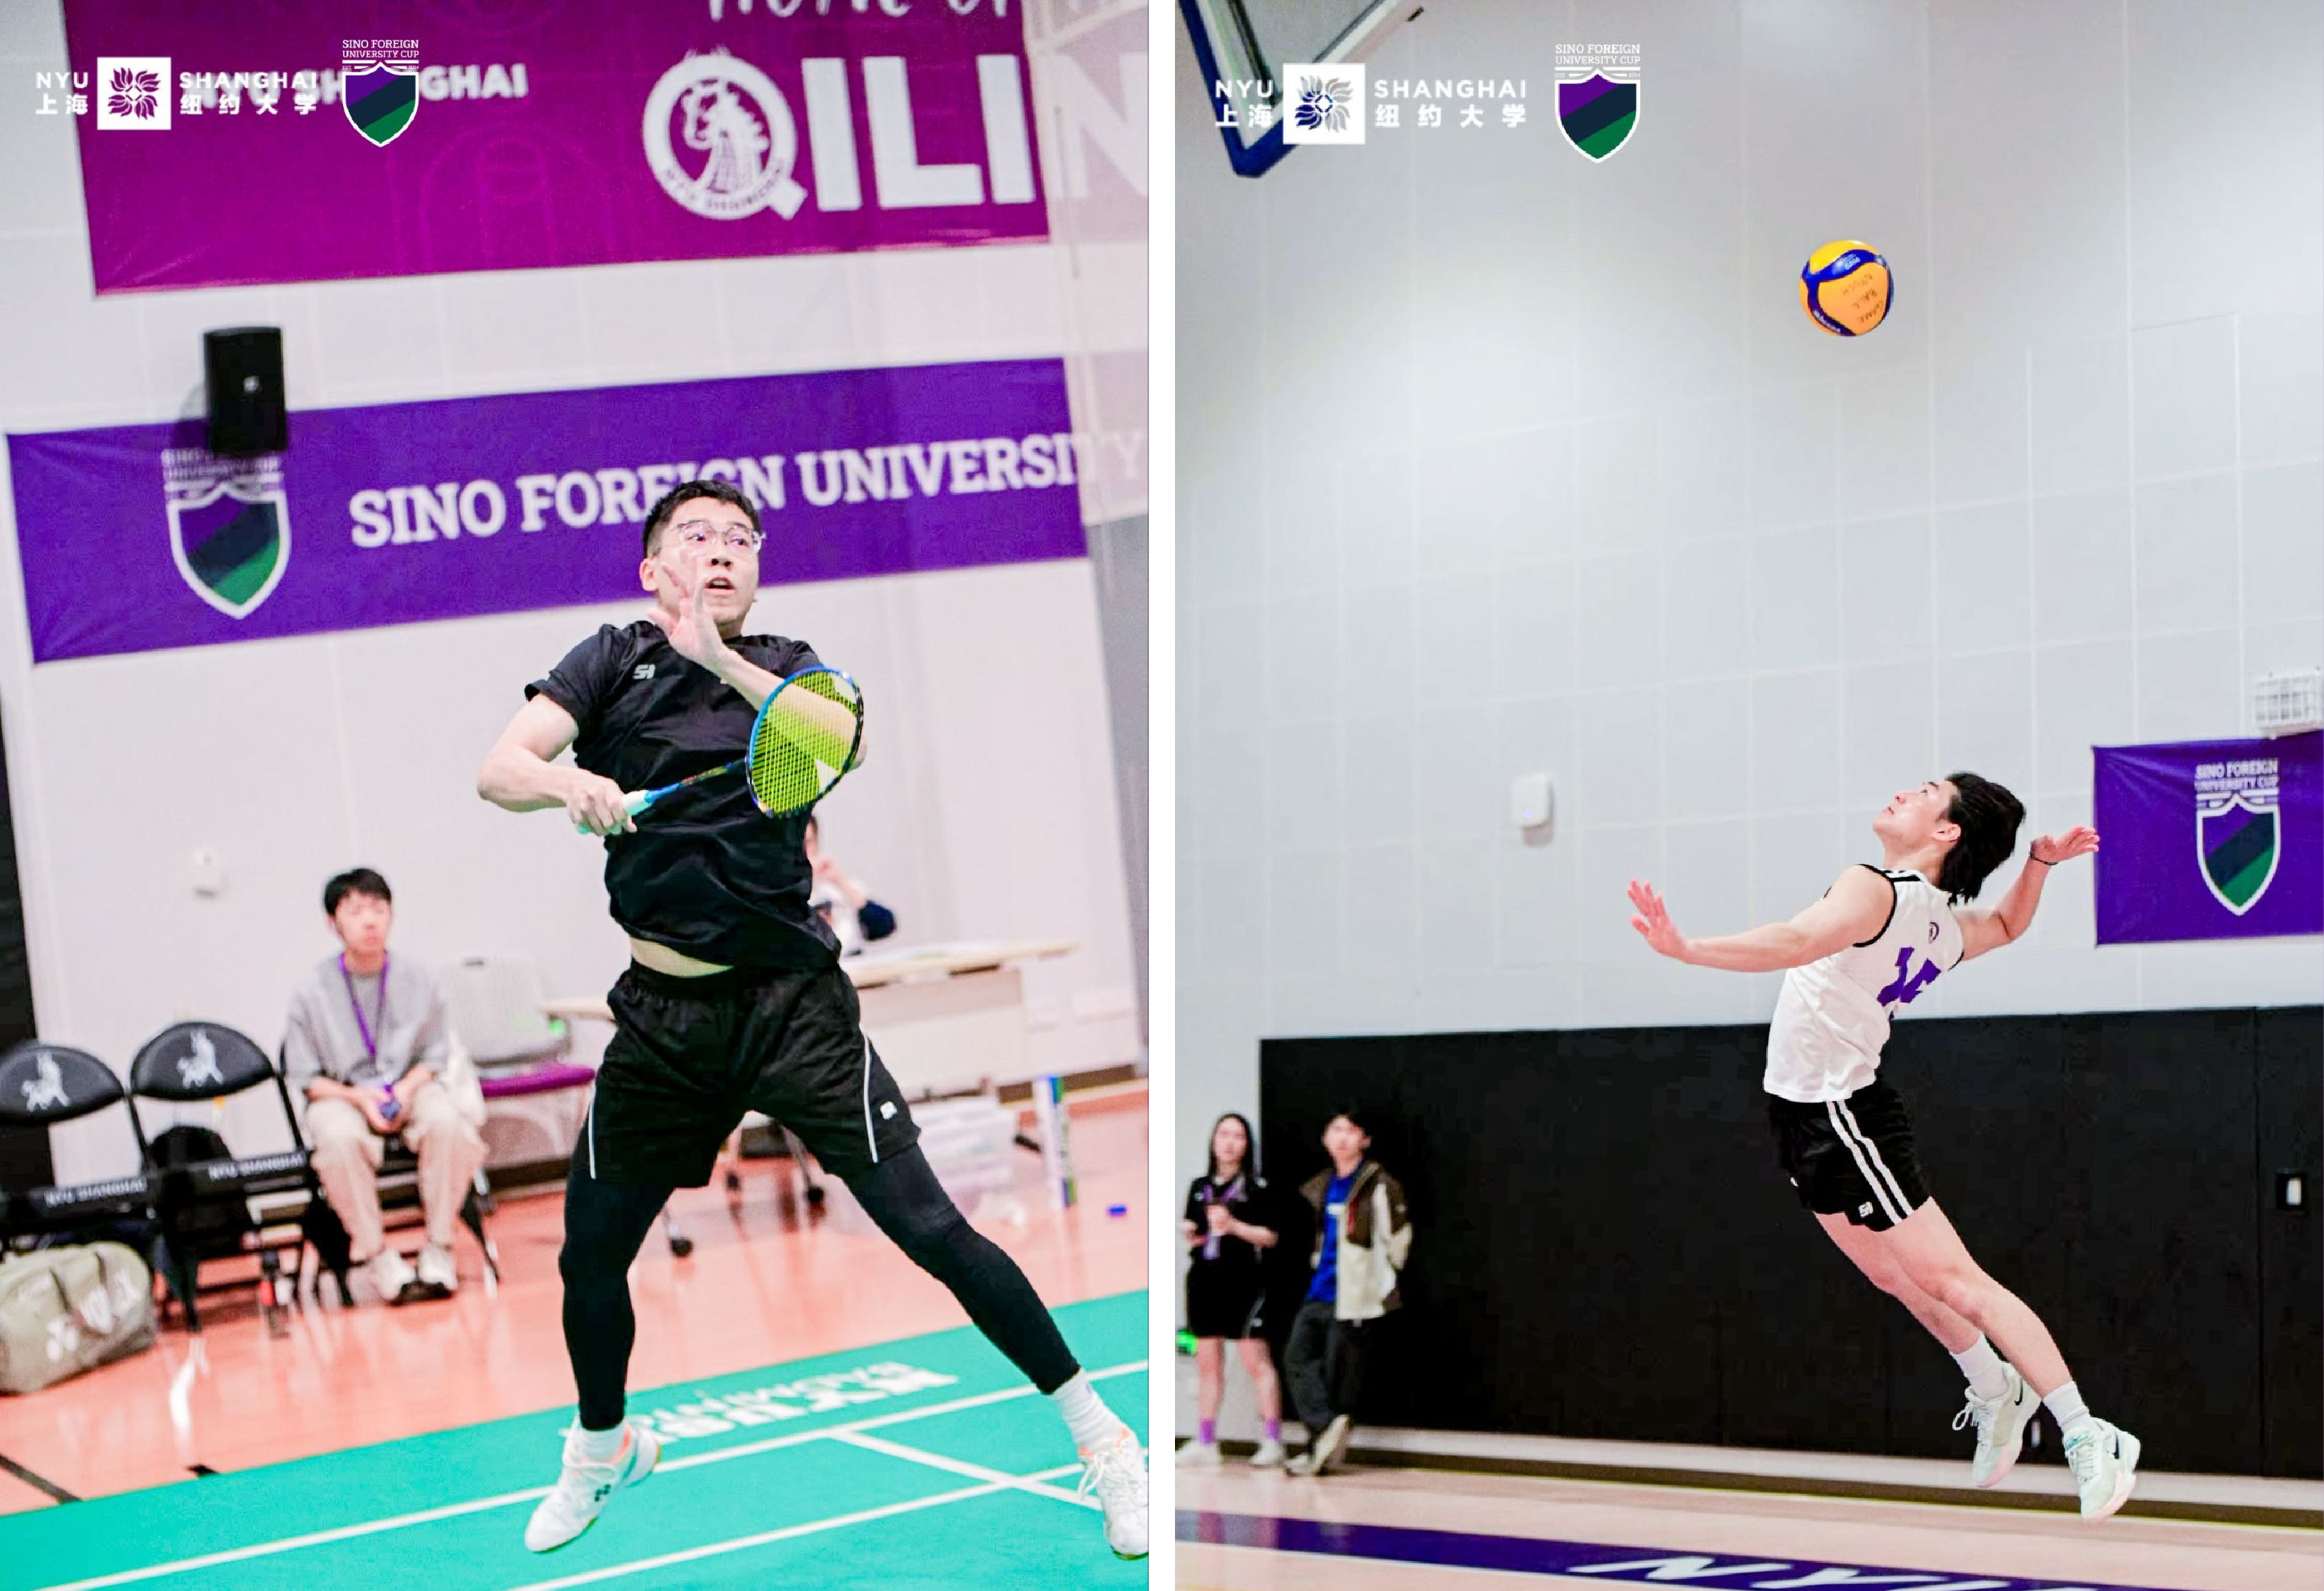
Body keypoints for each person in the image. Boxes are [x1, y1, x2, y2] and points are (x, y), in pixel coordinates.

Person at [475, 480, 1145, 1559]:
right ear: (651, 568)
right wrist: (570, 786)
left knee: (933, 1227)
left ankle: (1105, 1436)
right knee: (588, 1257)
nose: (723, 551)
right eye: (697, 537)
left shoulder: (788, 666)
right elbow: (499, 767)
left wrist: (720, 658)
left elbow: (842, 741)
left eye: (742, 538)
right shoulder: (605, 660)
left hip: (793, 1009)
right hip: (663, 1015)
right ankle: (603, 1447)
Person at [1627, 773, 2139, 1519]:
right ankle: (1996, 1388)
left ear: (1946, 833)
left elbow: (1797, 940)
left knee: (1958, 1283)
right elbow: (2005, 928)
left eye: (1926, 791)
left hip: (1847, 1115)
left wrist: (1688, 949)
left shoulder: (1877, 887)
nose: (1903, 792)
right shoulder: (1938, 918)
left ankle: (2088, 1434)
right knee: (1896, 1279)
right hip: (1802, 1113)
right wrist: (2039, 864)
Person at [282, 868, 486, 1305]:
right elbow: (305, 1077)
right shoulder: (309, 991)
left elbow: (434, 1057)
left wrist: (407, 1090)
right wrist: (360, 1098)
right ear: (332, 922)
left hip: (407, 1085)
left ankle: (439, 1248)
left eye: (379, 908)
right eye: (356, 911)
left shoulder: (420, 978)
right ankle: (377, 1257)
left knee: (448, 1122)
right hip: (343, 1094)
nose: (370, 921)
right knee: (336, 1141)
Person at [1283, 1110, 1410, 1477]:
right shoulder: (1318, 1186)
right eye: (1336, 1130)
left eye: (1352, 1131)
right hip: (1317, 1291)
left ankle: (1319, 1446)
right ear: (1325, 1138)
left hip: (1355, 1297)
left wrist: (1380, 1282)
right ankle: (1323, 1432)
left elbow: (1398, 1240)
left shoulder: (1378, 1183)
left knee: (1338, 1373)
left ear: (1364, 1140)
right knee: (1297, 1359)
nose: (1343, 1138)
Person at [1179, 1112, 1287, 1468]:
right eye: (1223, 1134)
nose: (1229, 1142)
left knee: (1256, 1361)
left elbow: (1270, 1236)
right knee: (1208, 1364)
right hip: (1205, 1282)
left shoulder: (1258, 1189)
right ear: (1214, 1141)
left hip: (1243, 1283)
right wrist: (1191, 1232)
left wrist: (1235, 1226)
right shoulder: (1199, 1186)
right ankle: (1207, 1442)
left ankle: (1272, 1440)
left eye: (1237, 1136)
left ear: (1246, 1145)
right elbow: (1196, 1230)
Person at [804, 813, 897, 957]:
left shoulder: (837, 886)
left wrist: (841, 882)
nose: (803, 851)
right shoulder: (779, 893)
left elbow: (885, 926)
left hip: (851, 966)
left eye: (808, 842)